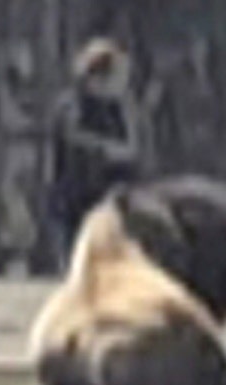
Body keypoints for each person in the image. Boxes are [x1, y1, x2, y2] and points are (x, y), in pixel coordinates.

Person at [42, 37, 142, 271]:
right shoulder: (71, 106)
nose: (122, 83)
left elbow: (132, 149)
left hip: (111, 198)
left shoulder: (120, 109)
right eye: (116, 75)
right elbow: (72, 141)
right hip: (76, 201)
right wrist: (106, 150)